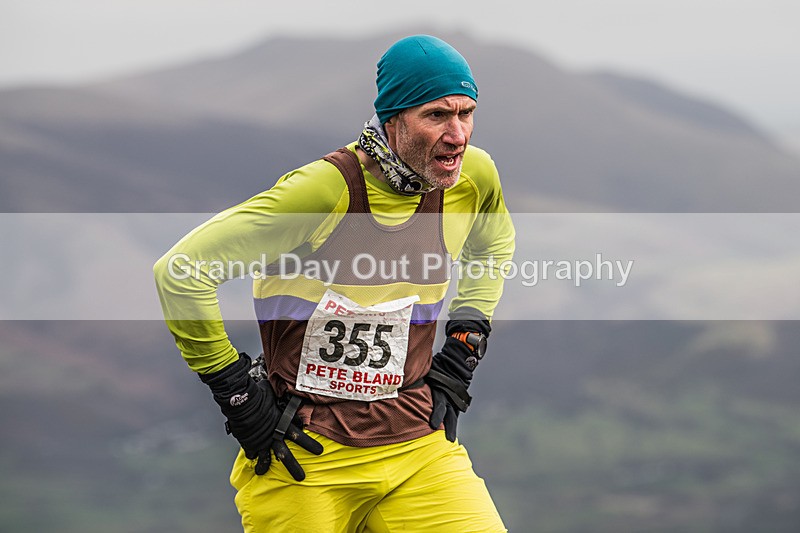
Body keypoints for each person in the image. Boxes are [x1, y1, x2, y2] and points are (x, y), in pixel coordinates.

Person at [154, 34, 515, 532]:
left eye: (466, 113)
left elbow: (492, 245)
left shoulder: (473, 176)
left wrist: (466, 337)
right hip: (306, 457)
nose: (457, 135)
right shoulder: (322, 191)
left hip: (417, 446)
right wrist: (234, 390)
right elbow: (181, 271)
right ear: (393, 119)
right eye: (436, 115)